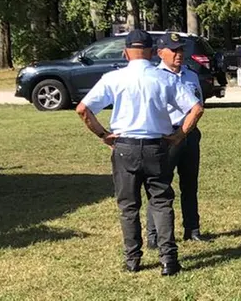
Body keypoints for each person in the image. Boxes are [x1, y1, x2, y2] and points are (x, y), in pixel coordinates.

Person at [75, 30, 203, 276]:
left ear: (125, 53)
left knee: (128, 206)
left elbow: (83, 109)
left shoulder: (114, 78)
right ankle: (169, 259)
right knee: (162, 201)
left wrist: (104, 135)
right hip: (158, 145)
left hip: (125, 146)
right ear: (153, 52)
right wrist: (179, 136)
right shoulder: (164, 78)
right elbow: (196, 109)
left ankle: (133, 259)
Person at [146, 32, 205, 247]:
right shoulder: (154, 77)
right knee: (160, 186)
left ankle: (192, 228)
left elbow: (198, 103)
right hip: (165, 135)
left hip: (189, 133)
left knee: (190, 184)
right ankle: (153, 235)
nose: (179, 54)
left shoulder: (190, 75)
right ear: (160, 53)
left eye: (181, 49)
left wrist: (187, 131)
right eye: (174, 50)